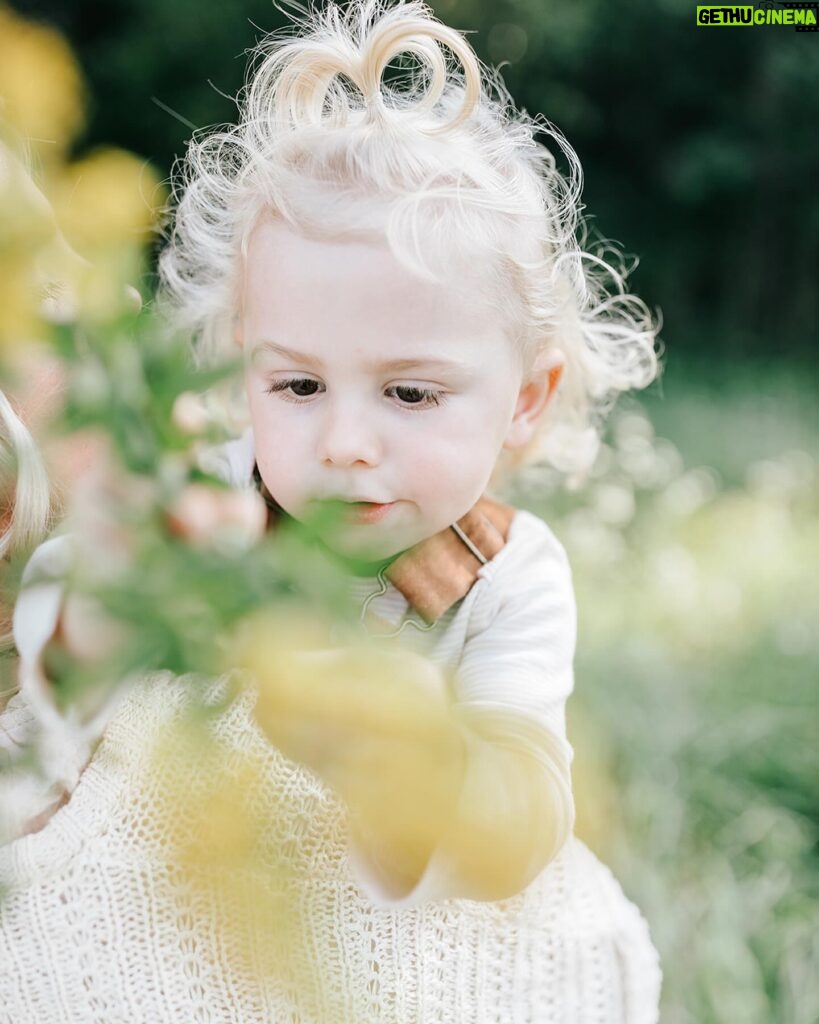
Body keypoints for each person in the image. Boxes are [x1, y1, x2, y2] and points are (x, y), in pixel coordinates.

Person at [0, 1, 664, 1020]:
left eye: (408, 393)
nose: (345, 442)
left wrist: (399, 752)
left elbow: (527, 808)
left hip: (392, 920)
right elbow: (50, 688)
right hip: (173, 884)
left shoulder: (504, 579)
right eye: (298, 387)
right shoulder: (205, 497)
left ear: (525, 398)